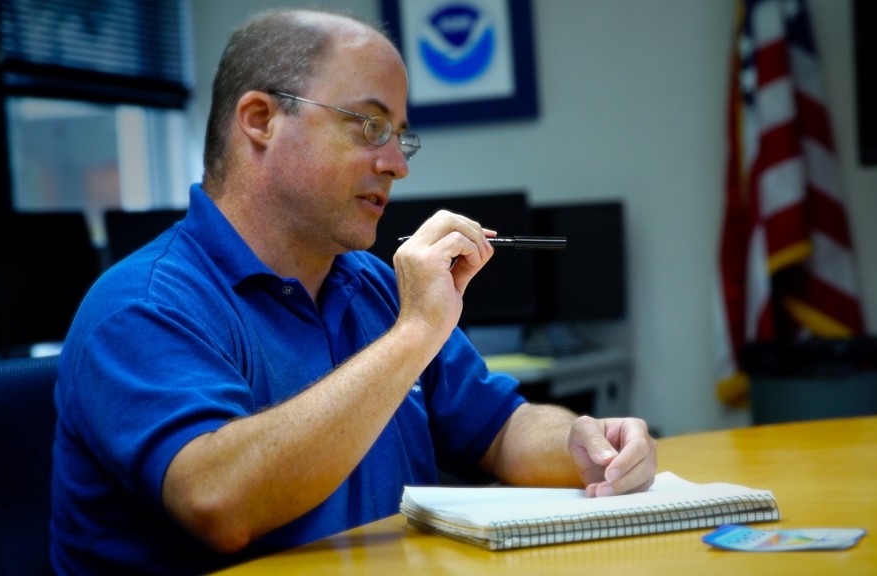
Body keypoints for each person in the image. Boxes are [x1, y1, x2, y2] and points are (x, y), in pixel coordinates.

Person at [50, 8, 657, 575]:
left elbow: (499, 429)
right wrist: (415, 332)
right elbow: (217, 503)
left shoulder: (371, 284)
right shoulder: (143, 304)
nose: (397, 164)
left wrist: (585, 443)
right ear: (260, 120)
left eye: (401, 136)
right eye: (370, 126)